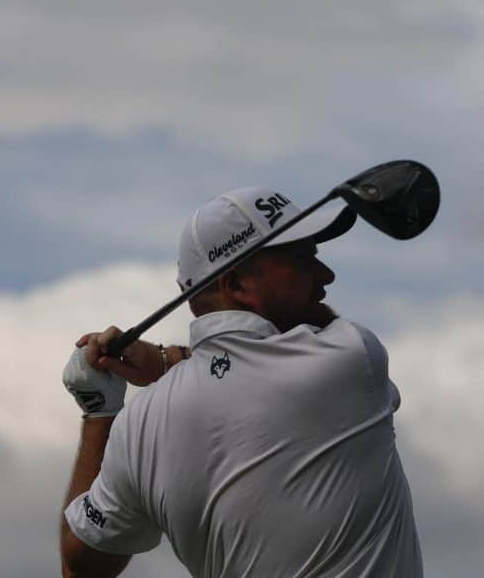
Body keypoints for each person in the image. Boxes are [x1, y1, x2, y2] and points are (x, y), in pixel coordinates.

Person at [60, 186, 423, 577]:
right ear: (236, 286)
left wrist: (101, 412)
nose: (326, 275)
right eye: (302, 258)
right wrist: (164, 361)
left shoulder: (140, 425)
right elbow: (249, 369)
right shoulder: (351, 357)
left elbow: (81, 565)